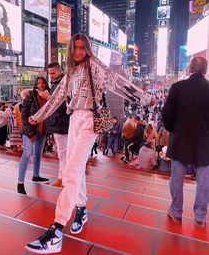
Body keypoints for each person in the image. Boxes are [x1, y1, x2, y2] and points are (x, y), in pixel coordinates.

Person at [25, 33, 148, 254]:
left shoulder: (94, 65)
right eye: (75, 48)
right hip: (74, 119)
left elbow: (117, 82)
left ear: (88, 49)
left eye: (83, 47)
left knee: (71, 171)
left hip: (90, 121)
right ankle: (81, 209)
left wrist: (145, 98)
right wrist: (39, 117)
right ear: (71, 50)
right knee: (76, 170)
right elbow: (55, 98)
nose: (79, 51)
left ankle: (57, 229)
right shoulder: (70, 72)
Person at [162, 56, 209, 229]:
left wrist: (174, 129)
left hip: (180, 139)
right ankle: (200, 217)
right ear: (204, 70)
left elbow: (166, 115)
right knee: (204, 181)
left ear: (190, 69)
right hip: (204, 142)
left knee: (177, 179)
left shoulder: (177, 87)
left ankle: (175, 212)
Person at [17, 77, 50, 195]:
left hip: (42, 130)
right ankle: (20, 183)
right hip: (30, 130)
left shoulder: (49, 97)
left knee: (38, 154)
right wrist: (29, 131)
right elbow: (23, 116)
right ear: (35, 85)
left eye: (43, 83)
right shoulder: (30, 97)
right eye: (39, 83)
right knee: (27, 153)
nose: (41, 85)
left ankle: (36, 176)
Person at [39, 62, 70, 188]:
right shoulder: (57, 83)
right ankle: (63, 178)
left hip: (61, 123)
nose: (51, 75)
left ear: (59, 71)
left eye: (53, 73)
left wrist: (49, 97)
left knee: (63, 153)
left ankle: (63, 179)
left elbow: (64, 105)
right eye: (49, 73)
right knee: (63, 153)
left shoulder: (63, 84)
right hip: (58, 123)